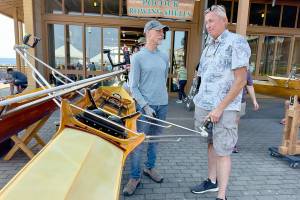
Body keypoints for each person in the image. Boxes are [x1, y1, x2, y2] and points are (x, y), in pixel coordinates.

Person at [191, 5, 250, 200]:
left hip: (224, 109)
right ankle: (211, 181)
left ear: (224, 21)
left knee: (223, 150)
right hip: (205, 105)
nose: (208, 25)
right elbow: (204, 75)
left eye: (212, 21)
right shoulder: (209, 45)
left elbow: (241, 80)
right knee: (210, 144)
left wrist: (219, 108)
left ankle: (222, 196)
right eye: (206, 22)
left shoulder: (236, 42)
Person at [123, 20, 169, 196]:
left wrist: (160, 100)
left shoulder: (164, 56)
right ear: (148, 33)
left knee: (155, 140)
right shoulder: (138, 58)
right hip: (144, 108)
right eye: (159, 31)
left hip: (162, 105)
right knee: (139, 142)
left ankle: (149, 168)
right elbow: (133, 87)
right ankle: (135, 176)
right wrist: (145, 106)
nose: (162, 34)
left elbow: (163, 79)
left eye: (163, 32)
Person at [232, 70, 259, 153]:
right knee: (225, 122)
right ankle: (222, 142)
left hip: (240, 101)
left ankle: (232, 144)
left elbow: (249, 85)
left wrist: (254, 100)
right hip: (224, 101)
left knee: (234, 123)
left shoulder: (246, 70)